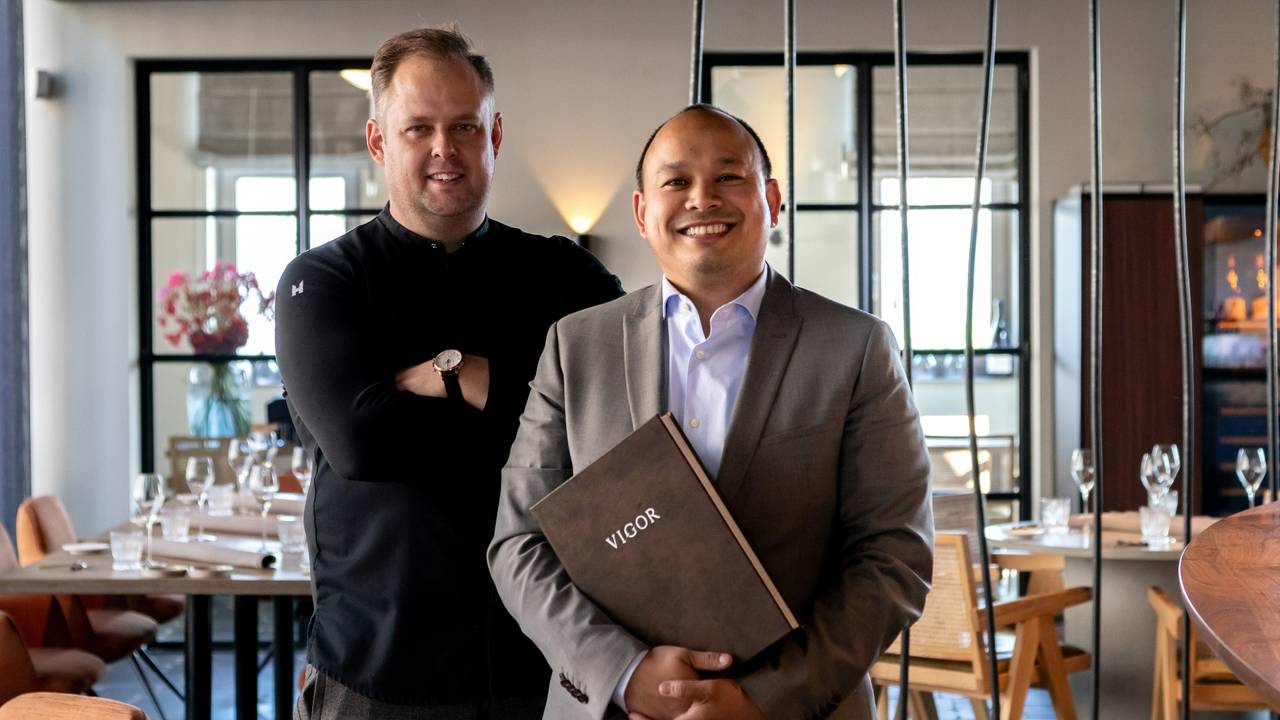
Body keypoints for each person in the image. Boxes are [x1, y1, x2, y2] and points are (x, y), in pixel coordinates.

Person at [488, 105, 933, 720]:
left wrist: (763, 698)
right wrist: (623, 673)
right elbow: (518, 543)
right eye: (676, 182)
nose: (703, 199)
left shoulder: (855, 348)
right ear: (643, 212)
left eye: (729, 177)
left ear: (771, 200)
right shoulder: (576, 346)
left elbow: (893, 555)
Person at [276, 26, 623, 720]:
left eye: (465, 125)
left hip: (549, 663)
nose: (445, 148)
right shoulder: (324, 282)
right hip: (378, 671)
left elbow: (612, 424)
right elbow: (361, 444)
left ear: (495, 136)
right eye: (419, 128)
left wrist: (439, 375)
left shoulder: (566, 276)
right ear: (379, 142)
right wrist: (523, 402)